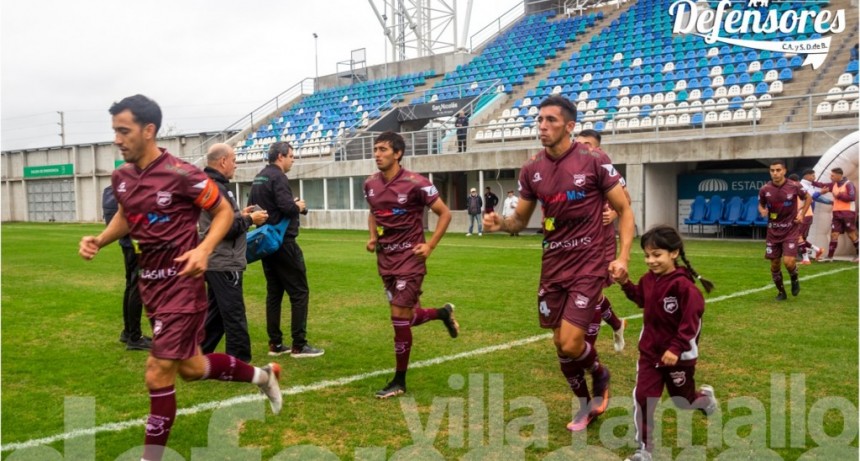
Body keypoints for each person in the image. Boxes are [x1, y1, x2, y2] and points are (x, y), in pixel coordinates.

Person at [79, 95, 282, 461]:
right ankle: (263, 377)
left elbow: (222, 211)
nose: (117, 139)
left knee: (157, 372)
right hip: (152, 287)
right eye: (115, 131)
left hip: (183, 286)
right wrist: (101, 239)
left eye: (124, 131)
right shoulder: (122, 176)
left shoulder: (182, 174)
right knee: (190, 368)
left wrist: (203, 250)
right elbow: (126, 215)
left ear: (149, 130)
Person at [482, 95, 634, 432]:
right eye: (539, 120)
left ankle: (600, 374)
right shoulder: (532, 169)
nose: (543, 126)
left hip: (590, 262)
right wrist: (500, 225)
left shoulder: (593, 160)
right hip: (553, 264)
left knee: (571, 342)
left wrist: (622, 256)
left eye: (551, 120)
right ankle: (585, 405)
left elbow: (624, 209)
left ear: (569, 126)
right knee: (559, 345)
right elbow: (520, 221)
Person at [364, 131, 459, 398]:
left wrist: (430, 246)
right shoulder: (370, 184)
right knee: (407, 317)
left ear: (398, 153)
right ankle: (442, 313)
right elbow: (373, 213)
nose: (377, 154)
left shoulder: (417, 183)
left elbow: (445, 213)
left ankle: (399, 381)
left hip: (410, 259)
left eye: (383, 149)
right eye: (375, 149)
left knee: (397, 317)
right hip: (386, 260)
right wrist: (373, 237)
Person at [612, 225, 718, 461]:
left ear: (674, 253)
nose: (650, 260)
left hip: (678, 357)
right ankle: (644, 450)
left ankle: (703, 399)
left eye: (656, 255)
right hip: (650, 352)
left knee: (683, 401)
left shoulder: (685, 287)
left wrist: (676, 348)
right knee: (643, 397)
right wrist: (625, 282)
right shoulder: (649, 280)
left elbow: (691, 323)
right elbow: (641, 299)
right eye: (647, 255)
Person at [249, 141, 324, 358]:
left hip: (266, 245)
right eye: (291, 156)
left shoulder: (259, 177)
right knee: (300, 292)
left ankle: (275, 344)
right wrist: (297, 206)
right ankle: (299, 345)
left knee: (274, 294)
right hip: (284, 242)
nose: (293, 160)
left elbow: (254, 207)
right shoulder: (279, 176)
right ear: (280, 156)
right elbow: (285, 207)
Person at [199, 143, 269, 363]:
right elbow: (225, 227)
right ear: (223, 161)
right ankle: (239, 360)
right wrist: (249, 219)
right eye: (234, 160)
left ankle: (198, 354)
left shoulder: (212, 185)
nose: (236, 165)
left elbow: (223, 219)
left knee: (217, 314)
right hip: (224, 261)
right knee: (234, 313)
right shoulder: (216, 188)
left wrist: (240, 214)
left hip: (216, 259)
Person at [576, 129, 628, 353]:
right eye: (579, 144)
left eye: (588, 144)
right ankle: (617, 324)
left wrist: (615, 213)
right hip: (578, 241)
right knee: (586, 292)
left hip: (602, 240)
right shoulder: (572, 171)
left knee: (593, 292)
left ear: (598, 149)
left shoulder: (607, 170)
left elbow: (626, 200)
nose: (583, 148)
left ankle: (588, 351)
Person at [102, 185, 152, 351]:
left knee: (130, 286)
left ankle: (128, 331)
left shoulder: (115, 189)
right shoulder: (133, 188)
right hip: (137, 245)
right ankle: (134, 337)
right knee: (137, 288)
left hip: (126, 243)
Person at [758, 160, 810, 301]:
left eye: (778, 170)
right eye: (772, 170)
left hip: (790, 229)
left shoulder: (794, 186)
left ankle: (794, 278)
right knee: (775, 264)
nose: (775, 173)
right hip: (773, 231)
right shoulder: (765, 189)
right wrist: (763, 210)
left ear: (784, 171)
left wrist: (801, 214)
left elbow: (808, 198)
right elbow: (761, 205)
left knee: (788, 262)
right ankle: (781, 292)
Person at [812, 167, 858, 262]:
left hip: (848, 212)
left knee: (851, 234)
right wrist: (811, 181)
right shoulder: (834, 184)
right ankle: (830, 257)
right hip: (836, 213)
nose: (830, 177)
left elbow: (852, 197)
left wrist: (838, 195)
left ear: (838, 175)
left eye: (832, 175)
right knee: (834, 235)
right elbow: (822, 185)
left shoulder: (848, 184)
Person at [797, 169, 831, 263]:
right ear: (806, 176)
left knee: (799, 236)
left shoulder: (806, 186)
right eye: (812, 175)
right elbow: (813, 197)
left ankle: (805, 258)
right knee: (800, 237)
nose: (814, 178)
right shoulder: (802, 186)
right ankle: (815, 251)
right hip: (805, 214)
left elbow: (812, 198)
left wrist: (829, 201)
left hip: (805, 214)